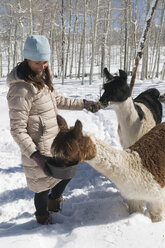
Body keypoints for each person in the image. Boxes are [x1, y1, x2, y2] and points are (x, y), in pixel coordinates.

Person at [6, 35, 103, 225]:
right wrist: (35, 155)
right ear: (27, 59)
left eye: (45, 61)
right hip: (36, 149)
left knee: (66, 174)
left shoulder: (41, 78)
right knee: (41, 188)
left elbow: (58, 101)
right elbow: (17, 130)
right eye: (37, 62)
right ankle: (42, 219)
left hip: (55, 144)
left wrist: (83, 104)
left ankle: (55, 202)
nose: (43, 66)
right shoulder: (21, 90)